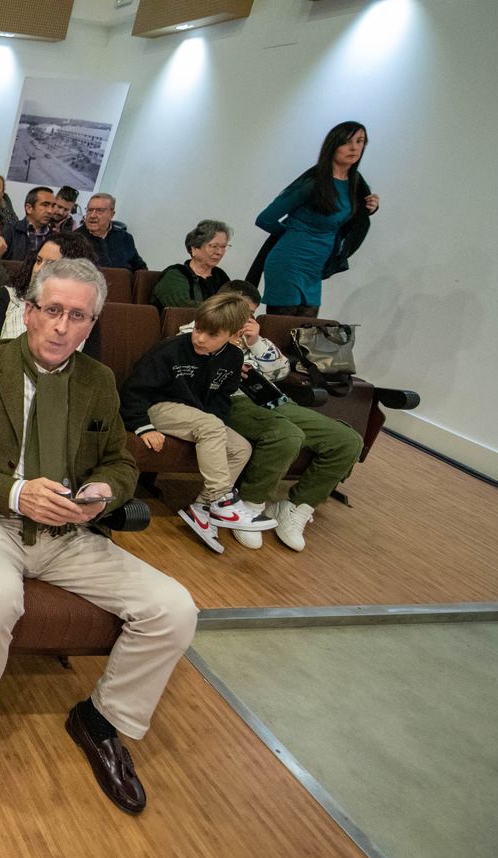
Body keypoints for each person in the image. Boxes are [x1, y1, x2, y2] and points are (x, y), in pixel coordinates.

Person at [0, 257, 198, 823]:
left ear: (92, 323)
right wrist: (15, 493)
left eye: (78, 316)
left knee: (174, 608)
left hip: (70, 531)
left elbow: (120, 462)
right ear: (29, 311)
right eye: (52, 310)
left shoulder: (98, 381)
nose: (61, 326)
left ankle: (101, 719)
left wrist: (106, 490)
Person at [179, 281, 362, 551]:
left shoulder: (251, 336)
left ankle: (295, 507)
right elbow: (188, 371)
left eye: (251, 313)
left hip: (272, 399)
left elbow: (281, 371)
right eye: (241, 311)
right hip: (230, 400)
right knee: (286, 434)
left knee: (347, 440)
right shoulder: (196, 332)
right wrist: (227, 361)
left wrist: (254, 342)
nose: (245, 319)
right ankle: (251, 505)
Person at [119, 291, 276, 553]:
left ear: (234, 335)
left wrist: (215, 426)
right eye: (198, 329)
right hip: (157, 407)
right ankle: (221, 499)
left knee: (240, 448)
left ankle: (202, 509)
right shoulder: (170, 350)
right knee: (211, 426)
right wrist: (142, 425)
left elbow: (221, 401)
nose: (200, 338)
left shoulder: (233, 358)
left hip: (197, 417)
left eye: (212, 334)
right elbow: (133, 390)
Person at [251, 121, 379, 316]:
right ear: (333, 146)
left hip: (315, 267)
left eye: (360, 141)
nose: (354, 147)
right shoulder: (313, 182)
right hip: (289, 262)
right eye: (347, 142)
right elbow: (265, 219)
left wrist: (370, 208)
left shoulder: (356, 182)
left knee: (308, 330)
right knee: (282, 327)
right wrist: (295, 234)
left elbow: (350, 223)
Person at [0, 230, 96, 345]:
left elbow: (88, 362)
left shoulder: (85, 313)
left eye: (51, 264)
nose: (38, 269)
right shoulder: (7, 298)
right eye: (39, 261)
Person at [152, 220, 232, 309]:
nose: (219, 252)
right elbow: (182, 307)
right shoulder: (175, 275)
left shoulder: (220, 275)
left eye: (223, 247)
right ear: (194, 249)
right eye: (214, 246)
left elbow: (234, 305)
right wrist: (222, 311)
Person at [77, 192, 146, 271]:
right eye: (89, 210)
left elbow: (140, 268)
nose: (92, 215)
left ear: (112, 214)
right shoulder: (73, 239)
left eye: (99, 210)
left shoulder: (125, 238)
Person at [8, 186, 59, 262]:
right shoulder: (9, 231)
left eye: (53, 206)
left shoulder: (56, 237)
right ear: (29, 208)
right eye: (45, 205)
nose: (50, 211)